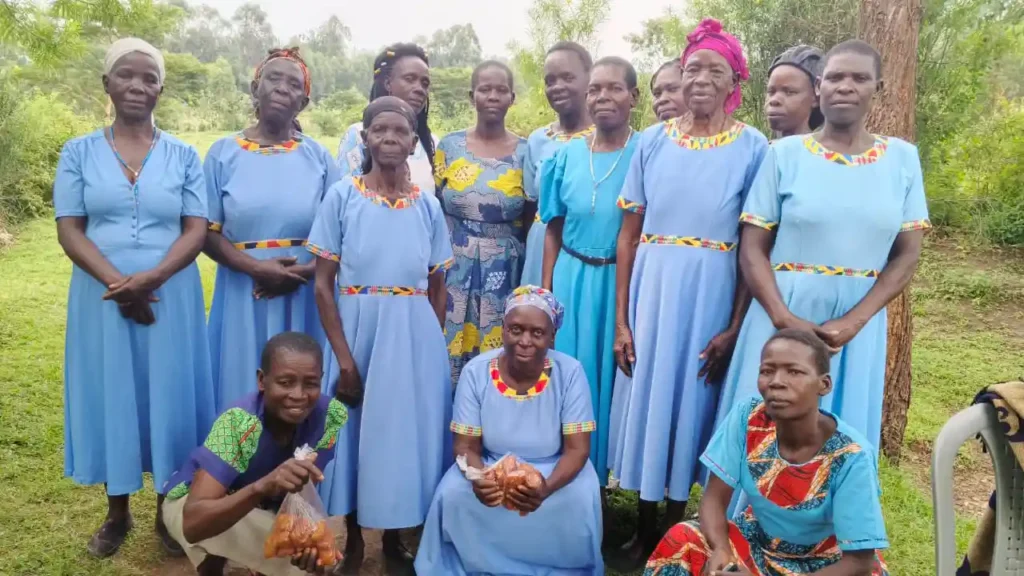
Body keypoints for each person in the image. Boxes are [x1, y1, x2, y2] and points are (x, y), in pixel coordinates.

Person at [608, 19, 769, 570]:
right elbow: (628, 236)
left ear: (734, 83)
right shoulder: (651, 141)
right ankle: (644, 523)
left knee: (692, 400)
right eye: (693, 68)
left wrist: (733, 325)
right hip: (653, 286)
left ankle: (680, 524)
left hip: (712, 287)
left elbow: (753, 245)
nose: (700, 79)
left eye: (714, 71)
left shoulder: (753, 147)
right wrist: (623, 321)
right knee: (651, 392)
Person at [718, 39, 929, 454]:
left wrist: (857, 320)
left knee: (839, 436)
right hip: (781, 312)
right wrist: (783, 318)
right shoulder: (784, 154)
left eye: (858, 78)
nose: (845, 87)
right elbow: (753, 247)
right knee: (763, 426)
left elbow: (907, 253)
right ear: (819, 87)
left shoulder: (902, 160)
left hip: (855, 325)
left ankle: (826, 519)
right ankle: (741, 517)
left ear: (878, 88)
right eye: (834, 77)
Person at [53, 38, 215, 559]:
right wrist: (120, 287)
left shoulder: (185, 155)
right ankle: (117, 510)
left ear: (161, 89)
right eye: (126, 75)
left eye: (149, 78)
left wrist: (151, 279)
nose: (137, 86)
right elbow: (70, 230)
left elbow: (196, 229)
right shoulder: (77, 152)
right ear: (107, 84)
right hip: (100, 298)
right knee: (114, 392)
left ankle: (169, 511)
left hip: (172, 296)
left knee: (170, 393)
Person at [309, 96, 454, 573]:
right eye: (380, 131)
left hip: (412, 336)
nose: (390, 139)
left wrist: (427, 345)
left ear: (414, 142)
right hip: (357, 330)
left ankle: (394, 537)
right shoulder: (343, 196)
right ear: (365, 138)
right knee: (354, 434)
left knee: (401, 435)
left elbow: (437, 285)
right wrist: (344, 359)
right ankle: (353, 536)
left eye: (400, 132)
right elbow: (323, 286)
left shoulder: (427, 207)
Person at [644, 329, 889, 576]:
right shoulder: (749, 418)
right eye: (767, 371)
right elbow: (714, 500)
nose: (776, 381)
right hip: (758, 545)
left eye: (794, 372)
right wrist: (721, 550)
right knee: (683, 538)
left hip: (827, 564)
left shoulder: (851, 456)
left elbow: (859, 562)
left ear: (824, 385)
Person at [414, 286, 604, 575]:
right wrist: (480, 479)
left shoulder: (571, 372)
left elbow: (578, 450)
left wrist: (546, 488)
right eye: (516, 330)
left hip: (554, 468)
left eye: (537, 333)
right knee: (454, 493)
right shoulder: (476, 371)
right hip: (490, 464)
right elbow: (465, 447)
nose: (525, 341)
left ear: (552, 337)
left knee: (578, 498)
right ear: (502, 330)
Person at [204, 47, 338, 410]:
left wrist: (304, 272)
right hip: (243, 289)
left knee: (301, 389)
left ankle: (301, 462)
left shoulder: (321, 159)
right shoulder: (221, 154)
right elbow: (205, 231)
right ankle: (237, 464)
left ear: (304, 101)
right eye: (273, 78)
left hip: (303, 291)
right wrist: (258, 269)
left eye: (293, 84)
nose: (282, 88)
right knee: (241, 384)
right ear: (254, 88)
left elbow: (343, 235)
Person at [161, 332, 349, 576]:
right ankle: (213, 563)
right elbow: (194, 524)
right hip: (190, 505)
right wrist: (263, 486)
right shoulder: (238, 423)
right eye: (285, 382)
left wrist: (303, 538)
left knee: (314, 559)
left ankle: (237, 561)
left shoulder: (326, 416)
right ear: (262, 380)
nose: (299, 395)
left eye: (310, 383)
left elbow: (298, 497)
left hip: (255, 505)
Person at [540, 56, 640, 499]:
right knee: (566, 379)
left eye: (615, 88)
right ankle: (561, 483)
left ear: (634, 98)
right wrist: (544, 295)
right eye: (596, 88)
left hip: (622, 285)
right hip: (572, 278)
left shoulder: (647, 151)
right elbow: (553, 229)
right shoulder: (564, 156)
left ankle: (600, 488)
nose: (603, 97)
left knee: (610, 381)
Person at [436, 60, 528, 385]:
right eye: (485, 89)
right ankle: (447, 429)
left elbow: (531, 216)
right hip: (453, 267)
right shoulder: (449, 146)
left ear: (512, 98)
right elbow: (433, 206)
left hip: (504, 269)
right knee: (447, 351)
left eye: (501, 90)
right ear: (471, 95)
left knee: (499, 351)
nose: (492, 96)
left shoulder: (525, 151)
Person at [520, 41, 595, 288]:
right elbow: (531, 206)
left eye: (567, 77)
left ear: (589, 79)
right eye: (550, 80)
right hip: (539, 249)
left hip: (586, 252)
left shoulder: (609, 139)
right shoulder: (537, 140)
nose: (557, 87)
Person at [336, 43, 437, 194]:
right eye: (410, 79)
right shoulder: (358, 134)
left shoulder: (431, 143)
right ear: (388, 83)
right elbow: (347, 198)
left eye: (425, 83)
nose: (419, 89)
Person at [766, 45, 825, 139]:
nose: (774, 100)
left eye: (789, 92)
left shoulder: (825, 152)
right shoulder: (757, 150)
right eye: (771, 92)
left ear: (815, 98)